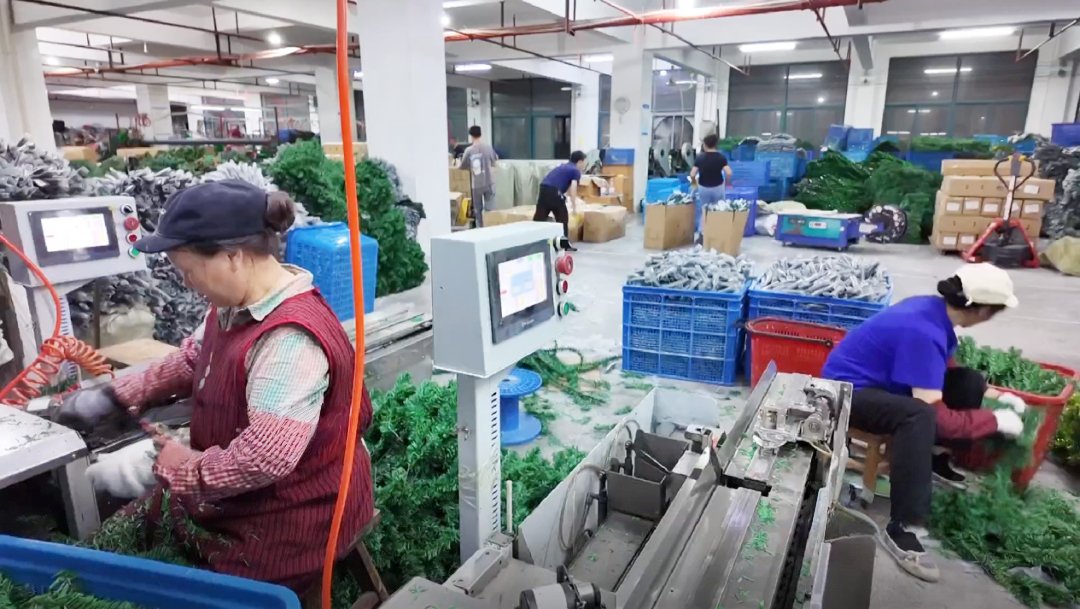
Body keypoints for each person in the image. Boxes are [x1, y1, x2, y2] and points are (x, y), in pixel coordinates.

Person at [56, 180, 373, 594]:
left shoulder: (289, 340)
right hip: (239, 499)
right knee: (114, 549)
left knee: (167, 591)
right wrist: (118, 393)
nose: (186, 282)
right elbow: (195, 357)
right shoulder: (236, 306)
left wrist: (170, 468)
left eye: (188, 271)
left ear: (232, 256)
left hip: (292, 520)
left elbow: (264, 458)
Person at [822, 263, 1026, 583]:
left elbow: (940, 366)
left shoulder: (935, 311)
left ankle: (934, 459)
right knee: (919, 417)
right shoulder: (923, 330)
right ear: (984, 310)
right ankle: (903, 527)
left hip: (883, 382)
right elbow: (941, 420)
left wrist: (995, 395)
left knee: (969, 381)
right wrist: (994, 420)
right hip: (848, 393)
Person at [689, 134, 733, 241]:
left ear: (705, 145)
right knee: (719, 209)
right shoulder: (721, 157)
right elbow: (729, 172)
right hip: (718, 187)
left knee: (704, 210)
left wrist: (694, 183)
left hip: (704, 187)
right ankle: (718, 233)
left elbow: (692, 174)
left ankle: (702, 235)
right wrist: (727, 183)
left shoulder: (700, 158)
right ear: (715, 144)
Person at [535, 150, 587, 238]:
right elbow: (573, 189)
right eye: (584, 162)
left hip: (543, 189)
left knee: (539, 219)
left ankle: (533, 241)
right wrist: (574, 207)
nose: (584, 165)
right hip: (554, 192)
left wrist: (564, 197)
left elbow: (564, 186)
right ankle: (563, 244)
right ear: (580, 162)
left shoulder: (563, 166)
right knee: (563, 220)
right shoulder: (575, 171)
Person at [458, 126, 498, 227]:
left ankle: (480, 230)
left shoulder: (469, 150)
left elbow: (462, 166)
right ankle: (491, 228)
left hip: (476, 184)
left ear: (471, 136)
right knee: (490, 210)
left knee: (478, 211)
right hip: (489, 182)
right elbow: (494, 160)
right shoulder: (488, 147)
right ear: (481, 134)